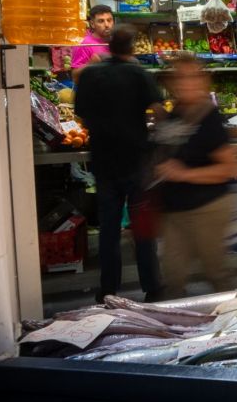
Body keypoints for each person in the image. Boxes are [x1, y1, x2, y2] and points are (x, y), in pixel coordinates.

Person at [74, 24, 164, 302]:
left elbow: (80, 114)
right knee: (142, 229)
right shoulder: (139, 74)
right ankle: (152, 287)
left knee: (109, 231)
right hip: (137, 162)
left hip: (104, 162)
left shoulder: (90, 75)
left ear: (109, 46)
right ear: (132, 47)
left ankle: (108, 290)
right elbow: (159, 112)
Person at [154, 57, 237, 298]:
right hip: (174, 212)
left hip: (207, 209)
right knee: (172, 275)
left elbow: (227, 168)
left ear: (203, 81)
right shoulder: (174, 113)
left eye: (191, 76)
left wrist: (184, 173)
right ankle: (176, 319)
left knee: (217, 273)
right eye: (179, 77)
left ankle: (235, 316)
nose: (184, 82)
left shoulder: (209, 117)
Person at [72, 5, 114, 79]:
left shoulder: (115, 41)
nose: (107, 25)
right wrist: (90, 64)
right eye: (101, 21)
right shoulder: (85, 44)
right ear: (92, 24)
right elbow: (75, 77)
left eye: (109, 20)